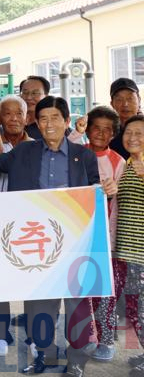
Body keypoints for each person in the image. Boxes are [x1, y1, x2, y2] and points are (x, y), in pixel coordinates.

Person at [0, 97, 103, 376]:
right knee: (40, 304)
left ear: (67, 122)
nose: (49, 124)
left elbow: (96, 192)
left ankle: (76, 361)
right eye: (43, 118)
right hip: (36, 242)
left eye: (55, 117)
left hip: (75, 240)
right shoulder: (24, 151)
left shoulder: (84, 155)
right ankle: (45, 355)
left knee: (76, 305)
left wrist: (106, 191)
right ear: (37, 123)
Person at [84, 106, 126, 362]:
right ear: (88, 129)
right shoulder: (77, 153)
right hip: (79, 234)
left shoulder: (118, 162)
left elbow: (118, 203)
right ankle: (86, 337)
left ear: (113, 134)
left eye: (107, 130)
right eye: (96, 128)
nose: (100, 133)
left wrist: (112, 238)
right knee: (83, 292)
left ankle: (106, 340)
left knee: (104, 291)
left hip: (104, 237)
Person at [111, 116, 144, 375]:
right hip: (125, 252)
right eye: (128, 132)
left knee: (141, 309)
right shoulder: (128, 164)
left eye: (139, 133)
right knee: (134, 308)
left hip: (141, 254)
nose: (132, 137)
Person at [0, 95, 33, 192]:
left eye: (19, 113)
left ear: (27, 119)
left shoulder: (35, 146)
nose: (14, 119)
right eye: (7, 113)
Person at [109, 77, 142, 159]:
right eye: (119, 99)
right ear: (112, 104)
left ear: (139, 100)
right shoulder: (108, 134)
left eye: (130, 98)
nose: (125, 104)